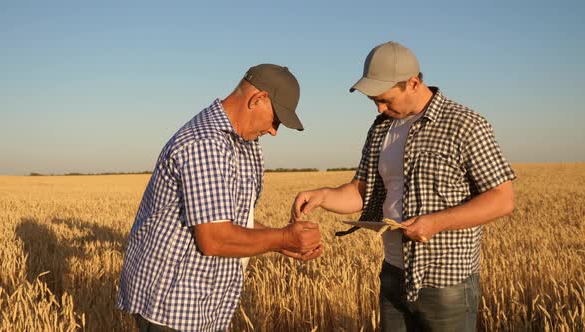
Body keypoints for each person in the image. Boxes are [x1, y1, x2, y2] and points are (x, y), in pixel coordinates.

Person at [291, 41, 516, 332]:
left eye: (386, 100)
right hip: (394, 274)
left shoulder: (466, 125)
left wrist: (435, 223)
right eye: (374, 101)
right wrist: (322, 195)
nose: (380, 108)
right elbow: (361, 192)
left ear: (413, 83)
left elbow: (502, 199)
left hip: (446, 282)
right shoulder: (381, 128)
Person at [117, 64, 323, 332]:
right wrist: (282, 238)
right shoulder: (205, 143)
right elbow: (215, 238)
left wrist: (283, 240)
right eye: (276, 120)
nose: (274, 131)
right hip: (172, 307)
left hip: (203, 306)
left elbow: (232, 220)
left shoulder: (240, 143)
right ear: (258, 99)